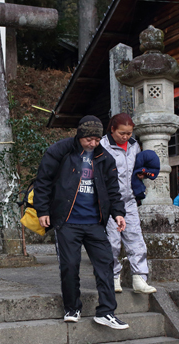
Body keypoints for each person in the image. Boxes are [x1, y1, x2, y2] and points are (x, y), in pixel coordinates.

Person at [33, 115, 129, 330]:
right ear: (80, 135)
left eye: (97, 140)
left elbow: (113, 190)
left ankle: (106, 312)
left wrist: (118, 213)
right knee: (69, 265)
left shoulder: (104, 157)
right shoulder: (60, 151)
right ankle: (72, 308)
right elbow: (43, 181)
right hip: (67, 220)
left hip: (95, 222)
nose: (93, 144)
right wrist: (43, 210)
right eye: (89, 140)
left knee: (105, 264)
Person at [99, 113, 155, 294]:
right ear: (112, 129)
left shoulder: (134, 146)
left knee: (135, 238)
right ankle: (114, 278)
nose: (126, 137)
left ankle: (139, 277)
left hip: (129, 199)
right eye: (122, 133)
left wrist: (140, 174)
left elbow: (134, 169)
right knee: (112, 241)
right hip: (109, 201)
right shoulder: (102, 146)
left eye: (129, 133)